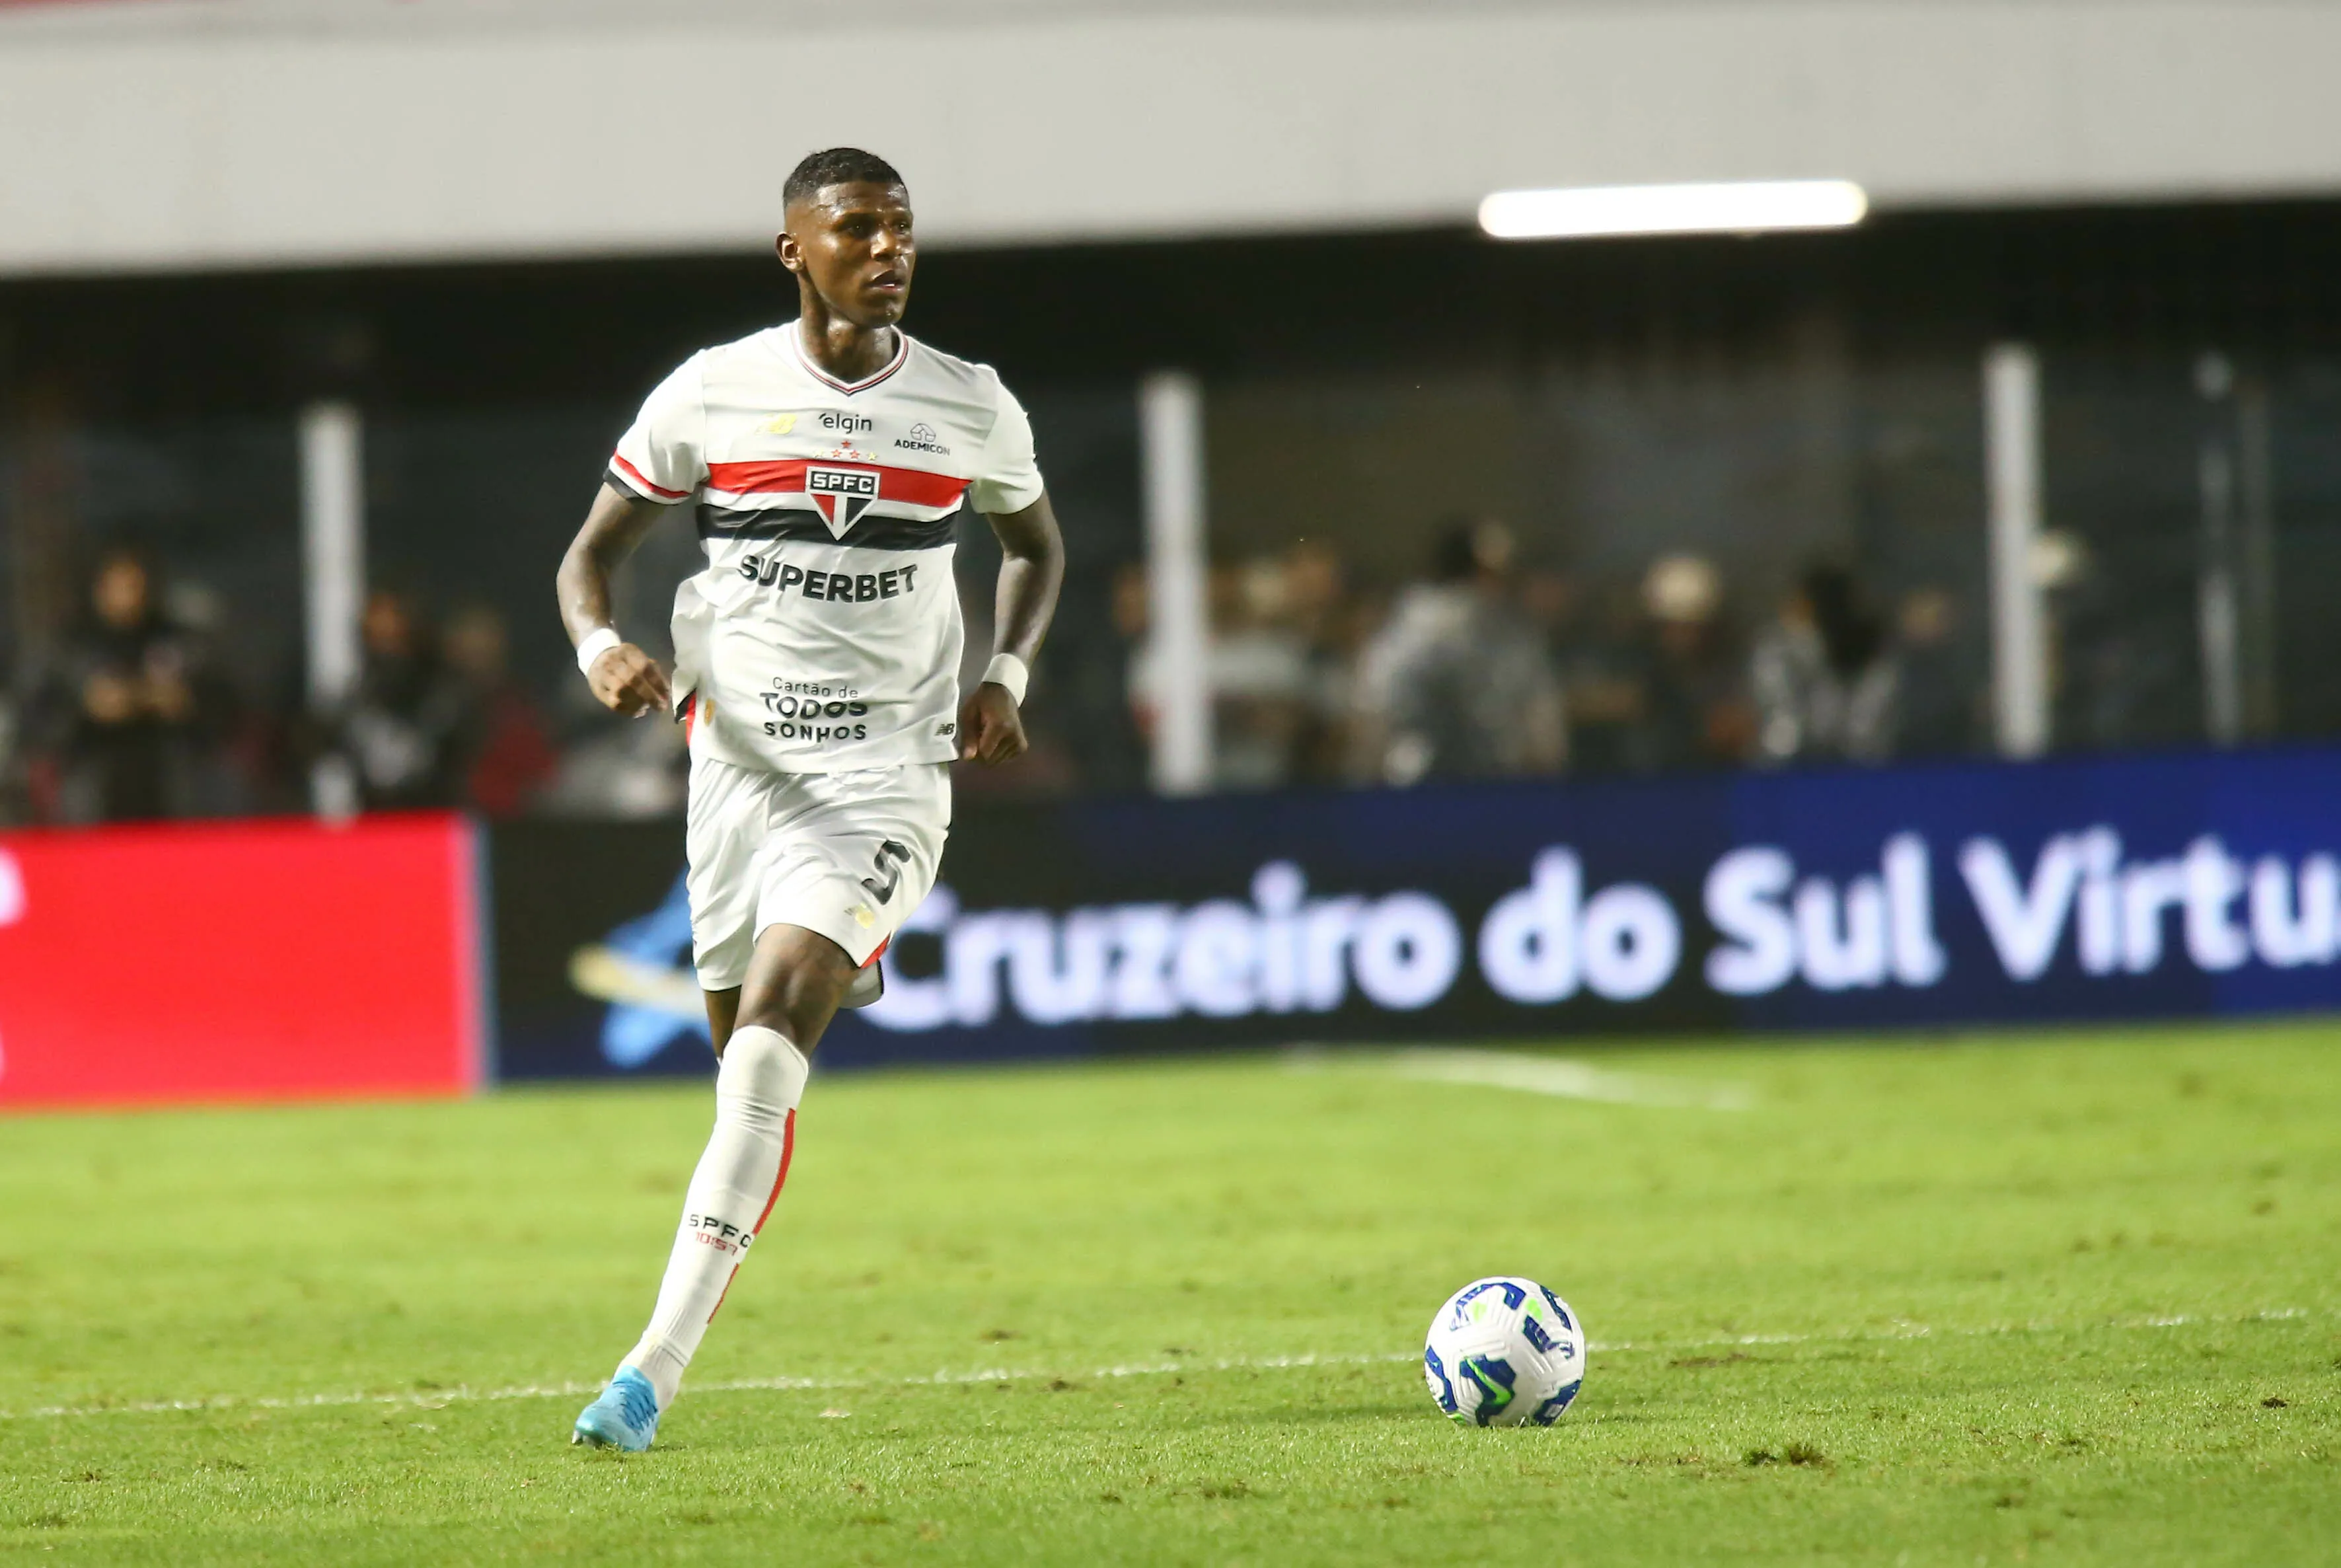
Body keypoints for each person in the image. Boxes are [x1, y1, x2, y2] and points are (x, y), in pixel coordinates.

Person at [554, 148, 1063, 1452]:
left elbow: (1035, 545)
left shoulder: (967, 402)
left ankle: (648, 1371)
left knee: (772, 1037)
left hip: (881, 775)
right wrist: (599, 647)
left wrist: (1005, 670)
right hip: (733, 777)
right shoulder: (715, 392)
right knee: (740, 1063)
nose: (888, 249)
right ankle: (833, 957)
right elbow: (590, 559)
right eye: (857, 228)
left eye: (903, 230)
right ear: (796, 248)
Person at [1351, 519, 1565, 785]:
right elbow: (1374, 722)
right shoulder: (1406, 635)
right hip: (1429, 787)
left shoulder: (1396, 634)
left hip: (1478, 788)